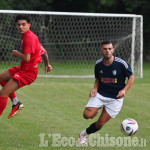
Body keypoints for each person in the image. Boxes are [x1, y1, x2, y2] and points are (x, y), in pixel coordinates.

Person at [79, 41, 134, 145]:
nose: (107, 51)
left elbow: (131, 77)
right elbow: (98, 78)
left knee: (100, 124)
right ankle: (98, 108)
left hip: (115, 98)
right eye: (105, 49)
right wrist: (95, 88)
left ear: (112, 50)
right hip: (100, 95)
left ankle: (83, 135)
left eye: (109, 48)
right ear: (101, 50)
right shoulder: (98, 64)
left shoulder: (121, 64)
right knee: (86, 115)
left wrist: (124, 90)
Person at [0, 15, 52, 118]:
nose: (21, 27)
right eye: (19, 25)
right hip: (23, 69)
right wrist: (47, 64)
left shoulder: (28, 38)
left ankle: (15, 103)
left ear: (29, 25)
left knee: (3, 93)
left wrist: (16, 53)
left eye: (23, 24)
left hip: (27, 73)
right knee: (1, 78)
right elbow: (44, 52)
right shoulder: (31, 35)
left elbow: (27, 58)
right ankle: (16, 103)